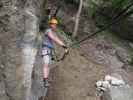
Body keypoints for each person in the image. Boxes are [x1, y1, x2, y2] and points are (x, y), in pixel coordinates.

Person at [42, 18, 68, 87]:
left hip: (49, 50)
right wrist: (63, 46)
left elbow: (57, 39)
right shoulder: (48, 31)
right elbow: (54, 39)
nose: (55, 26)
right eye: (54, 24)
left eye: (56, 25)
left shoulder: (53, 33)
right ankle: (45, 80)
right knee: (46, 63)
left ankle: (46, 79)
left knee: (48, 65)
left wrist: (65, 47)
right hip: (46, 49)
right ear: (51, 24)